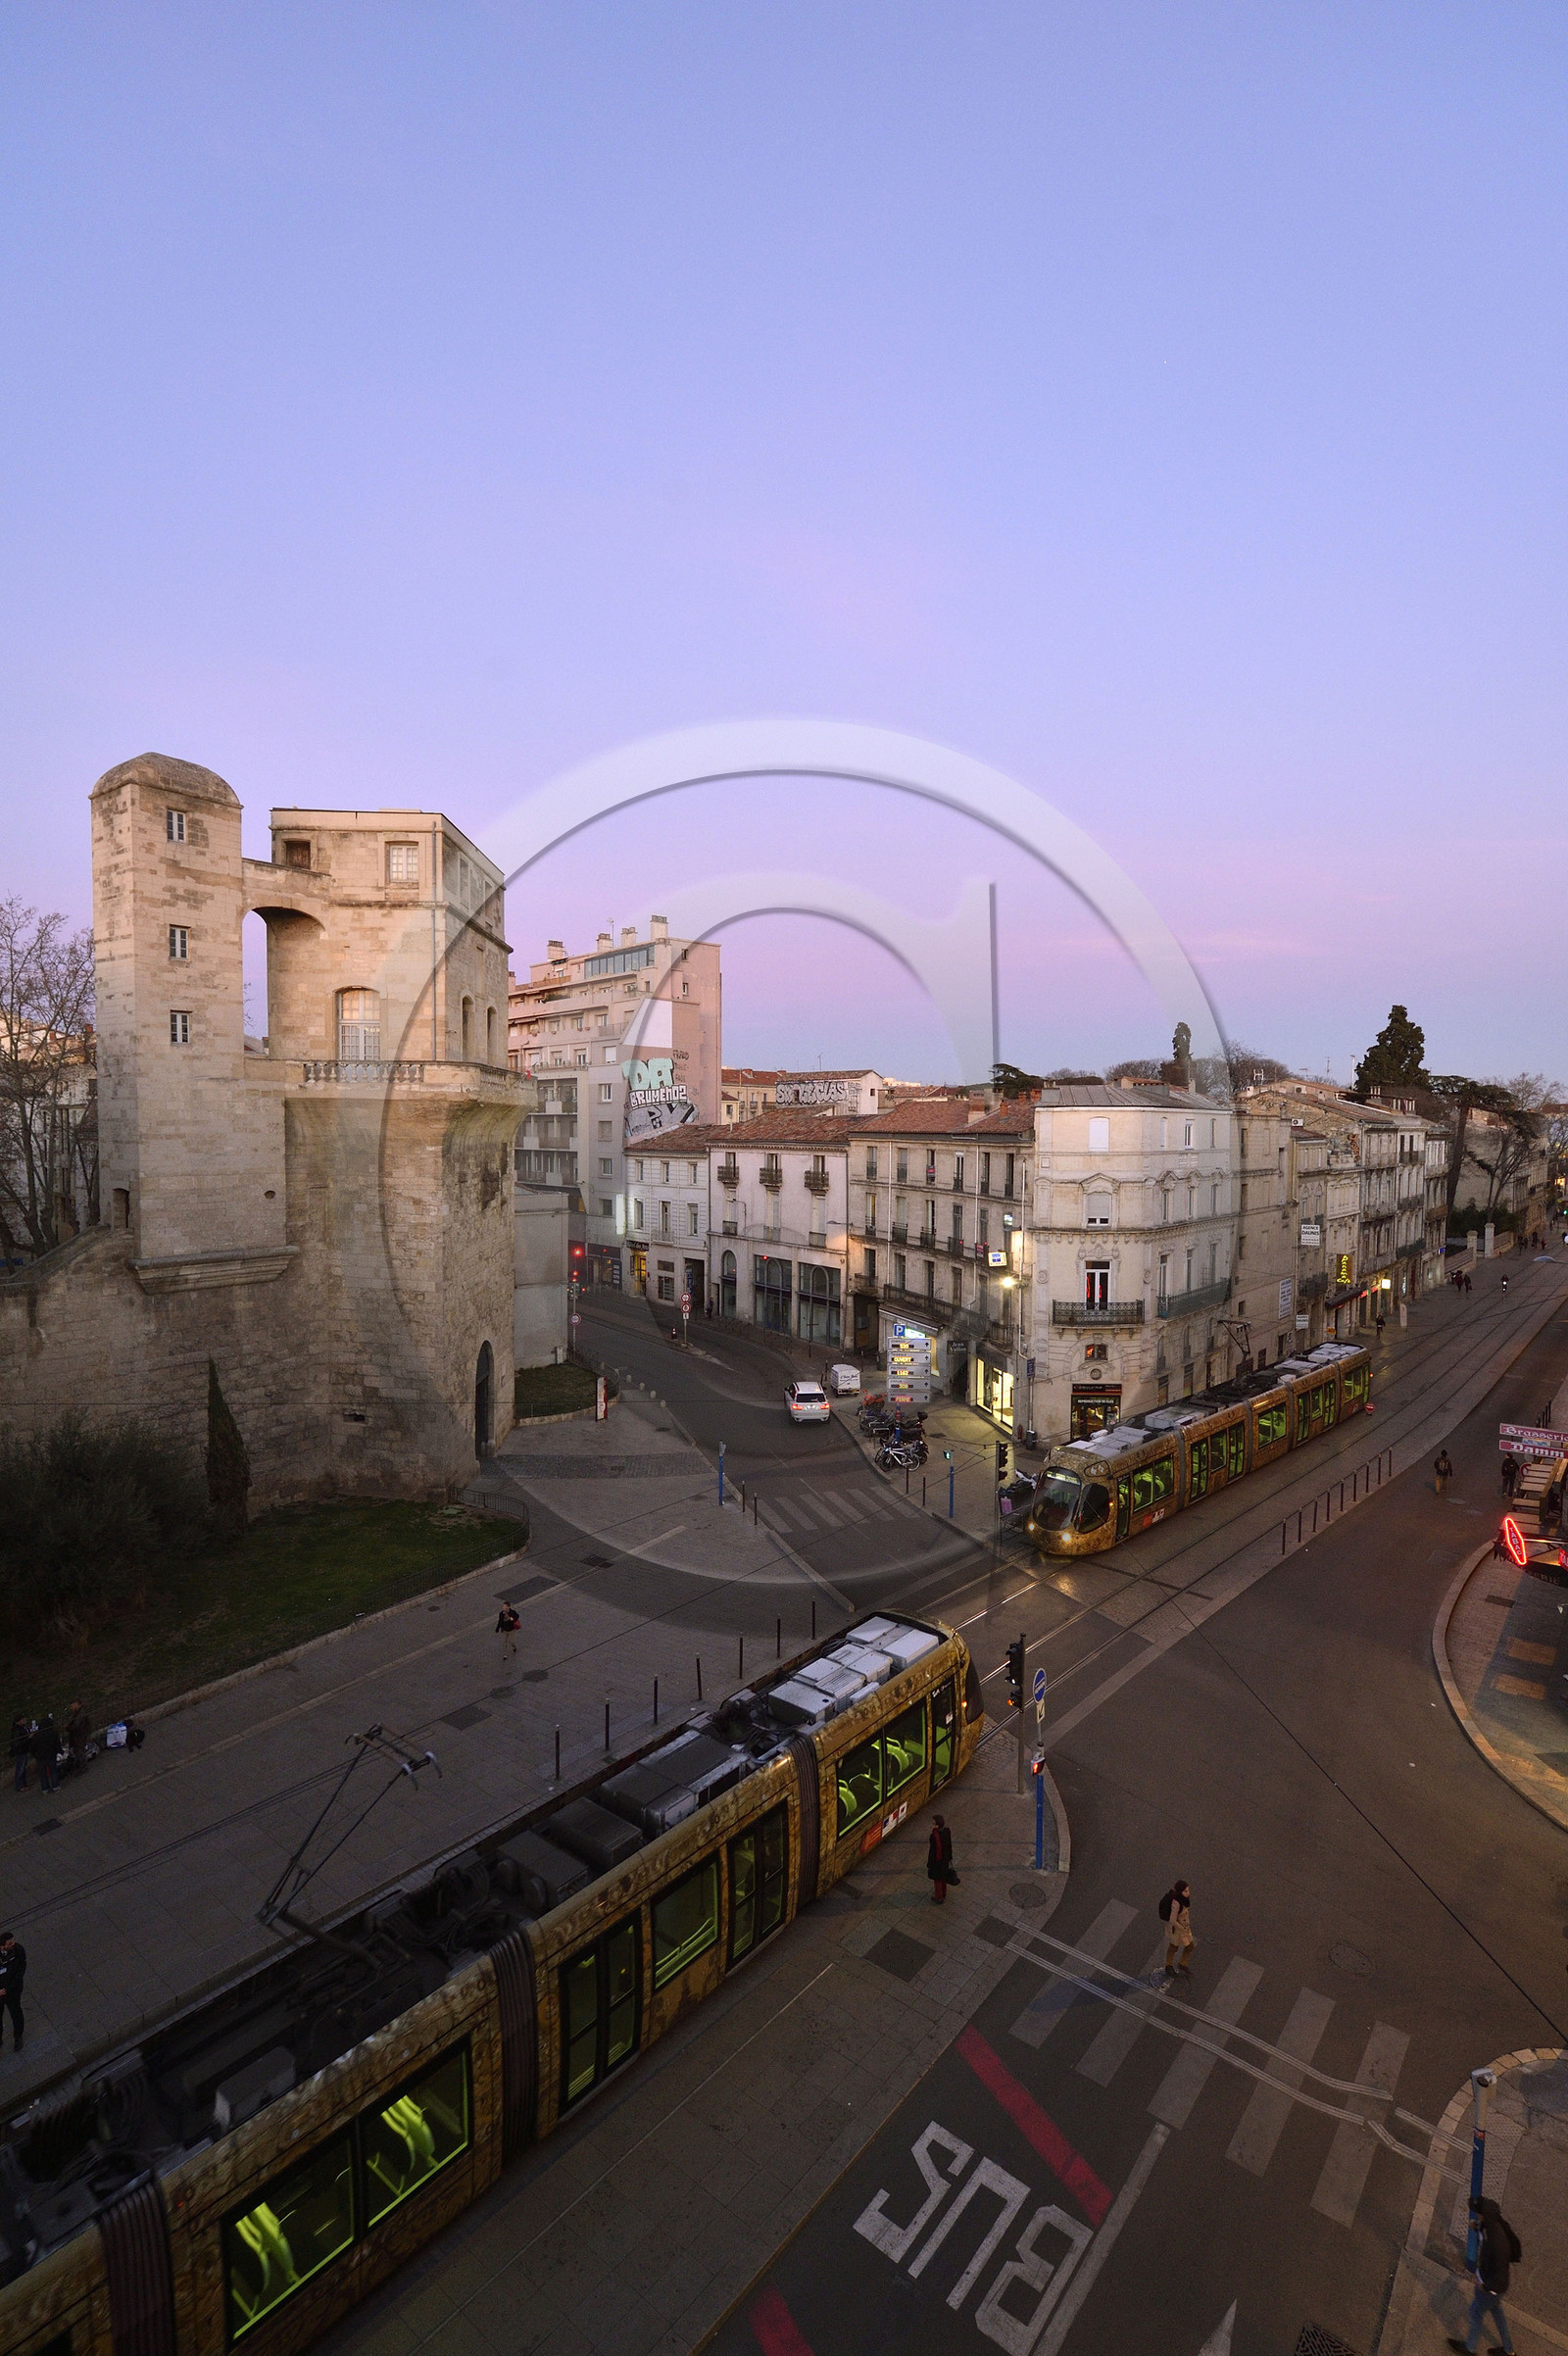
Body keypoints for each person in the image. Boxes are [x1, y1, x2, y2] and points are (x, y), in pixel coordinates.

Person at [1447, 2193, 1521, 2353]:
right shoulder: (1493, 2224)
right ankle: (1509, 2351)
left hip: (1490, 2289)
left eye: (1476, 2213)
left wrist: (1485, 2286)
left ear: (1482, 2214)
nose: (1476, 2215)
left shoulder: (1496, 2244)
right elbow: (1485, 2231)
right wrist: (1477, 2226)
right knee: (1497, 2314)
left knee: (1475, 2314)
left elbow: (1499, 2277)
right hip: (1495, 2291)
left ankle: (1469, 2349)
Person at [1160, 1879, 1196, 1977]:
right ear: (1180, 1892)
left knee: (1190, 1946)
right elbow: (1172, 1920)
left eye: (1188, 1890)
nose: (1188, 1893)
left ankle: (1183, 1963)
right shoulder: (1176, 1903)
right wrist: (1181, 1927)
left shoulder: (1184, 1900)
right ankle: (1169, 1966)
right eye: (1185, 1891)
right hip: (1177, 1929)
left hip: (1184, 1927)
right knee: (1174, 1947)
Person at [0, 1932, 24, 2051]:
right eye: (10, 1943)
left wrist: (8, 1989)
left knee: (16, 2014)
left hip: (12, 1991)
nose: (13, 1944)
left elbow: (21, 1970)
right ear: (3, 1946)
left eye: (13, 1941)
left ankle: (18, 2037)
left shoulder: (18, 1950)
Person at [927, 1814, 954, 1905]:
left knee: (937, 1880)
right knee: (943, 1877)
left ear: (937, 1824)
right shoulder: (947, 1831)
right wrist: (950, 1857)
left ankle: (939, 1897)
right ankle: (944, 1893)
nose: (932, 1824)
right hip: (945, 1860)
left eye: (933, 1823)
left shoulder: (934, 1836)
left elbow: (932, 1852)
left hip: (937, 1862)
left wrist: (929, 1864)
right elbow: (949, 1845)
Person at [30, 1715, 59, 1797]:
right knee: (53, 1771)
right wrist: (59, 1751)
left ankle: (45, 1789)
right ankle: (56, 1787)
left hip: (40, 1757)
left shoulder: (36, 1735)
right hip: (51, 1755)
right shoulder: (53, 1733)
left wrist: (35, 1755)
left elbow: (32, 1747)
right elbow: (57, 1744)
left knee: (43, 1774)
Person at [65, 1702, 90, 1774]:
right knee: (79, 1751)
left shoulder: (80, 1714)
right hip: (79, 1736)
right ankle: (81, 1766)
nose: (71, 1708)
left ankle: (83, 1767)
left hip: (79, 1736)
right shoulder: (79, 1713)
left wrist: (68, 1727)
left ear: (76, 1704)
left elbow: (76, 1725)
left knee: (80, 1751)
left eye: (71, 1706)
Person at [10, 1717, 31, 1794]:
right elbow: (17, 1743)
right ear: (20, 1721)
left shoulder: (22, 1727)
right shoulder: (16, 1730)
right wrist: (28, 1738)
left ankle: (23, 1783)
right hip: (20, 1751)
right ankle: (20, 1785)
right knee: (20, 1768)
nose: (25, 1720)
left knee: (23, 1767)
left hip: (23, 1750)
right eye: (23, 1719)